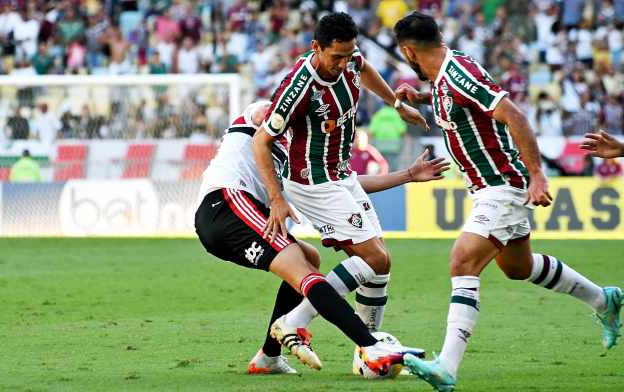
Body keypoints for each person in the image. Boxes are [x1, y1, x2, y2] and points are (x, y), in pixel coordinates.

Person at [391, 12, 622, 392]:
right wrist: (421, 96)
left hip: (502, 185)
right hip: (487, 187)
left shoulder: (458, 73)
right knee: (518, 267)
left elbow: (513, 114)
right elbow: (462, 102)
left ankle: (446, 366)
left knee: (462, 260)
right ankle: (603, 299)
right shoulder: (447, 76)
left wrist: (537, 175)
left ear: (407, 51)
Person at [195, 101, 447, 374]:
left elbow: (343, 184)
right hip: (228, 202)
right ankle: (369, 345)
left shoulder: (296, 153)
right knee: (305, 273)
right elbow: (265, 113)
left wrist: (408, 175)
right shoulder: (268, 113)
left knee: (309, 257)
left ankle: (269, 356)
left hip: (229, 221)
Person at [252, 12, 429, 369]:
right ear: (316, 48)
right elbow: (261, 141)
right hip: (312, 182)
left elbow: (364, 68)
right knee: (373, 259)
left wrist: (396, 103)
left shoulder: (350, 59)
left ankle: (368, 347)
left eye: (348, 54)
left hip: (342, 175)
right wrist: (276, 199)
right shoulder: (297, 86)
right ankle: (294, 322)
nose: (344, 63)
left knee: (382, 264)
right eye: (336, 57)